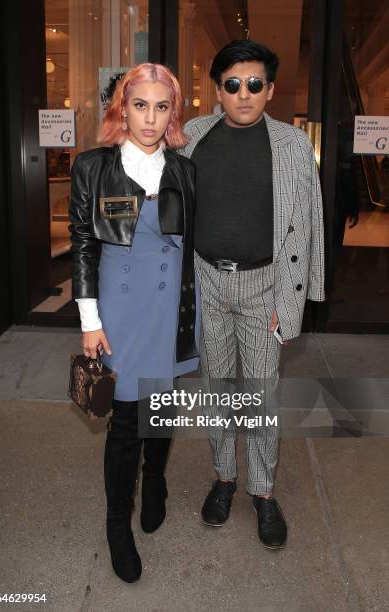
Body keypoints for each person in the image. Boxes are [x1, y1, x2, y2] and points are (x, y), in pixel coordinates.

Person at [180, 40, 325, 549]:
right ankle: (224, 477)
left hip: (265, 284)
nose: (244, 94)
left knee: (259, 394)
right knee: (216, 386)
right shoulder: (192, 136)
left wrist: (295, 302)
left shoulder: (291, 145)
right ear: (218, 90)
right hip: (207, 282)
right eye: (233, 84)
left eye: (255, 84)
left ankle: (262, 491)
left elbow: (309, 226)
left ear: (271, 90)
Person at [68, 63, 199, 583]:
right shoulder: (93, 166)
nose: (149, 117)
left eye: (161, 106)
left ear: (173, 114)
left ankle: (158, 479)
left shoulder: (185, 171)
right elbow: (81, 247)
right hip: (118, 312)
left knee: (160, 410)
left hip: (168, 308)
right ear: (122, 107)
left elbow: (194, 249)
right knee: (125, 425)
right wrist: (89, 320)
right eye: (139, 104)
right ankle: (116, 521)